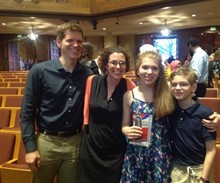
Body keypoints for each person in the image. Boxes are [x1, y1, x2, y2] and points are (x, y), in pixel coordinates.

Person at [20, 22, 93, 183]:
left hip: (75, 143)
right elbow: (27, 113)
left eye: (79, 41)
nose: (75, 45)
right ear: (59, 42)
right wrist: (30, 148)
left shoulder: (87, 74)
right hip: (47, 142)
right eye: (70, 40)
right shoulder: (40, 71)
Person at [76, 46, 136, 183]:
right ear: (105, 64)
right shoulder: (92, 81)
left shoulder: (130, 86)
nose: (118, 66)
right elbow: (84, 111)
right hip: (91, 146)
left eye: (122, 63)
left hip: (115, 149)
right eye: (113, 62)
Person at [121, 51, 175, 182]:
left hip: (161, 154)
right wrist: (127, 131)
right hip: (136, 153)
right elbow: (124, 125)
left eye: (154, 68)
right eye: (145, 67)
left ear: (159, 71)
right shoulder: (129, 95)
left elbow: (191, 106)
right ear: (138, 70)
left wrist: (216, 116)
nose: (149, 72)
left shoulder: (168, 92)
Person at [169, 66, 217, 183]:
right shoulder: (170, 110)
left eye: (183, 84)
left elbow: (211, 150)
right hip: (177, 170)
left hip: (199, 171)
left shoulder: (205, 114)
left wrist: (204, 179)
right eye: (174, 85)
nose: (178, 88)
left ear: (193, 87)